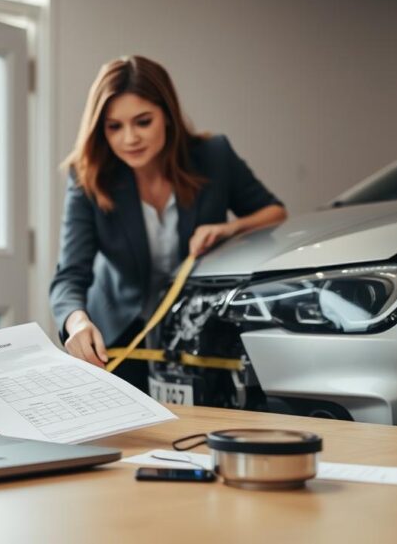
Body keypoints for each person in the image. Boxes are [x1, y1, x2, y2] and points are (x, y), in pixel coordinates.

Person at [50, 55, 286, 392]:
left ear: (168, 115)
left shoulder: (214, 155)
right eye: (114, 126)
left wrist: (229, 229)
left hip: (198, 333)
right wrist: (77, 322)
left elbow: (274, 212)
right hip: (117, 334)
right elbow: (69, 275)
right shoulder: (88, 176)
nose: (129, 138)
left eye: (143, 121)